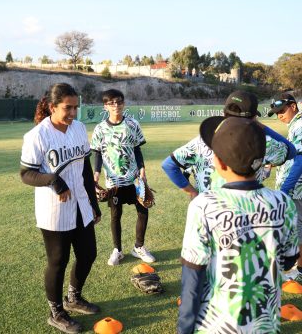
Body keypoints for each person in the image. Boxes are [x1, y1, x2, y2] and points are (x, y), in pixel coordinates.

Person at [177, 116, 299, 333]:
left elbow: (192, 280)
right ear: (262, 160)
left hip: (216, 325)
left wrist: (184, 328)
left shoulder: (203, 205)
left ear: (219, 162)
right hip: (266, 324)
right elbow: (289, 260)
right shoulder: (283, 202)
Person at [20, 83, 102, 334]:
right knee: (58, 260)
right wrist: (53, 180)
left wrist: (94, 202)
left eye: (76, 107)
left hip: (81, 203)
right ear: (52, 107)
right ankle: (56, 312)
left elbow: (85, 169)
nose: (73, 113)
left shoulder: (78, 128)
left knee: (88, 254)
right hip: (54, 208)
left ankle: (73, 298)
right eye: (68, 108)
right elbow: (26, 173)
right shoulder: (37, 135)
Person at [162, 90, 296, 199]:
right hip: (247, 213)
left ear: (224, 112)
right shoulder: (261, 141)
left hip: (209, 211)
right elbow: (291, 151)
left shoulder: (202, 139)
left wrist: (192, 192)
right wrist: (261, 126)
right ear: (253, 117)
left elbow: (168, 165)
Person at [90, 89, 155, 266]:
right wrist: (96, 174)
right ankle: (117, 250)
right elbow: (97, 153)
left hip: (134, 179)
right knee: (115, 214)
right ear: (105, 106)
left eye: (119, 102)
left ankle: (139, 247)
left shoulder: (133, 124)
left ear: (123, 104)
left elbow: (137, 149)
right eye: (111, 102)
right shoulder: (100, 129)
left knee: (143, 210)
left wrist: (142, 169)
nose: (116, 105)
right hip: (114, 181)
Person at [268, 93, 302, 282]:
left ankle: (293, 272)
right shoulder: (295, 125)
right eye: (277, 113)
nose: (280, 115)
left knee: (293, 230)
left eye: (282, 110)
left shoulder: (300, 125)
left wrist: (285, 190)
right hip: (296, 188)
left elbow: (301, 159)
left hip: (296, 189)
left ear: (293, 107)